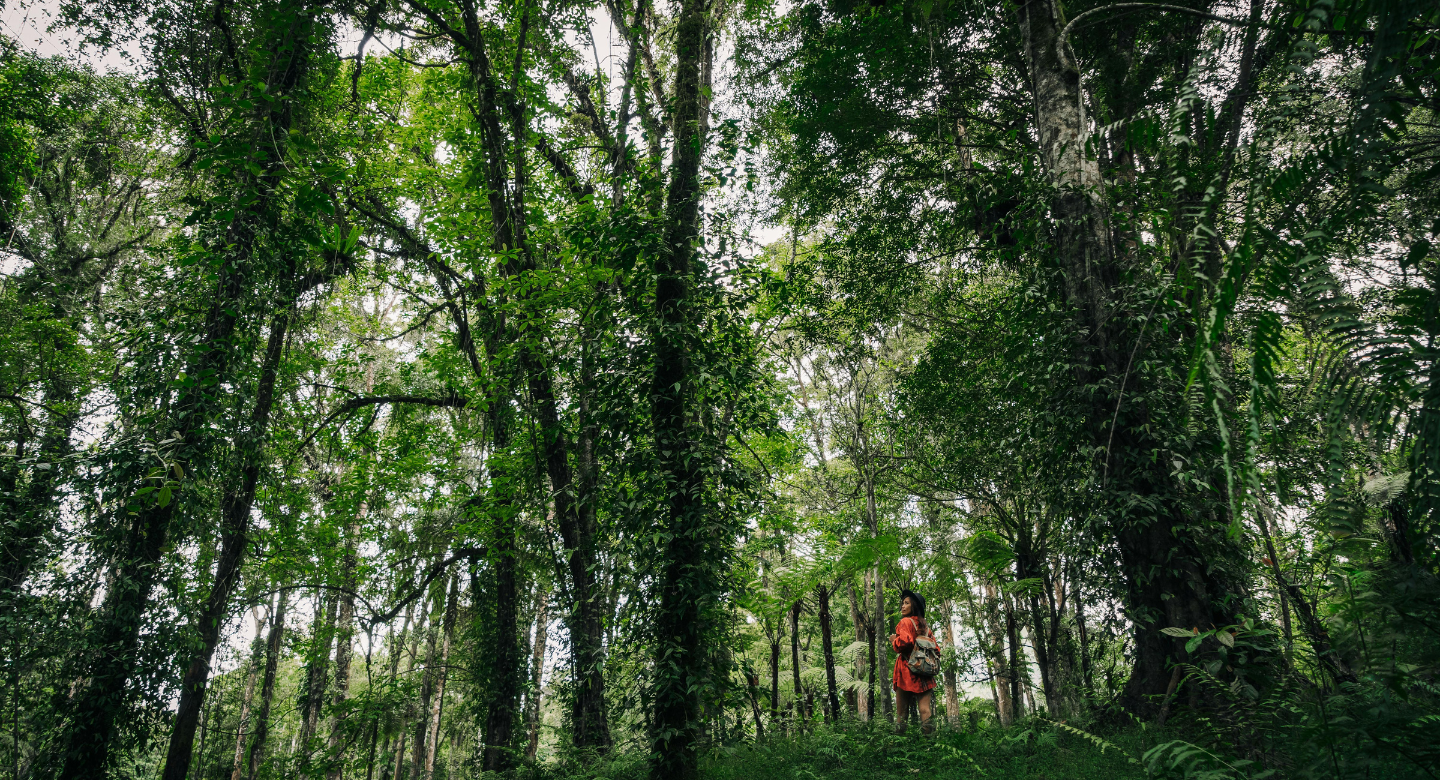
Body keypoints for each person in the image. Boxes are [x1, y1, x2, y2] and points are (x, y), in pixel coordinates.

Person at [889, 588, 938, 735]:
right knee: (925, 710)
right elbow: (937, 649)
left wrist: (894, 641)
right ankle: (928, 745)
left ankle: (900, 746)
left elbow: (905, 642)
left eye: (906, 603)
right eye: (902, 603)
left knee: (902, 713)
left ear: (914, 606)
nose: (902, 606)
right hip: (925, 672)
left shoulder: (905, 622)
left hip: (906, 671)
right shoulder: (926, 627)